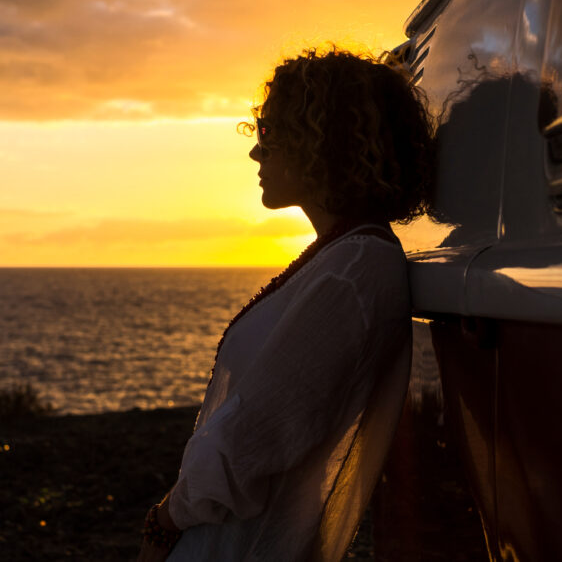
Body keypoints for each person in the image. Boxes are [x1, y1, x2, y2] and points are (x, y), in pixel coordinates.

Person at [137, 47, 435, 562]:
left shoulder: (354, 270)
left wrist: (164, 521)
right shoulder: (344, 256)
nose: (256, 152)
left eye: (269, 133)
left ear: (322, 141)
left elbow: (251, 442)